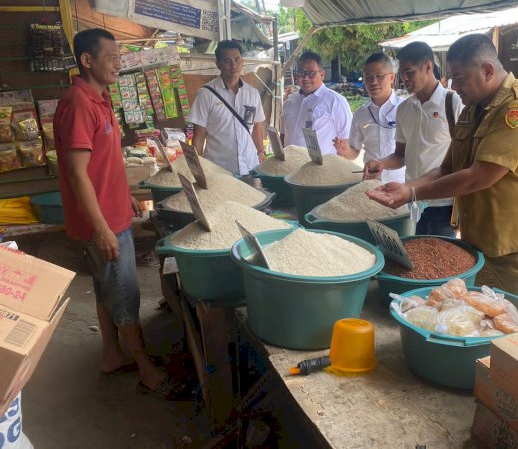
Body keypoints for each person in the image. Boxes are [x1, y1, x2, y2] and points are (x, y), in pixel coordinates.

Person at [367, 34, 518, 323]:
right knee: (483, 319)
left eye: (460, 78)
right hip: (481, 237)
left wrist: (412, 194)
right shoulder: (473, 109)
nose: (454, 86)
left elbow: (478, 176)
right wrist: (408, 186)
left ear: (486, 70)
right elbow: (447, 167)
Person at [54, 28, 186, 399]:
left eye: (119, 56)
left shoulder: (100, 97)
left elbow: (104, 161)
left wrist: (125, 193)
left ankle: (112, 354)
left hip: (113, 212)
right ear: (87, 60)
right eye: (111, 57)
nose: (118, 63)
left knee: (104, 290)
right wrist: (102, 229)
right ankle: (145, 368)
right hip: (104, 224)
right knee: (125, 294)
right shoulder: (78, 103)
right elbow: (77, 172)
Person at [364, 42, 463, 236]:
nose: (405, 79)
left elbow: (463, 160)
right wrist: (381, 163)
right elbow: (401, 155)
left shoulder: (453, 103)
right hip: (412, 202)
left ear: (427, 66)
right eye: (402, 73)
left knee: (440, 262)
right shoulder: (405, 109)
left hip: (443, 203)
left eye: (409, 72)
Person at [189, 40, 266, 175]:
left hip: (250, 167)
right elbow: (199, 136)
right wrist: (197, 168)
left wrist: (261, 152)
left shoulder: (252, 94)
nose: (233, 65)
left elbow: (257, 126)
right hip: (218, 171)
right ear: (218, 64)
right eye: (227, 61)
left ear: (243, 61)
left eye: (237, 59)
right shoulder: (206, 94)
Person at [333, 53, 405, 183]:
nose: (373, 82)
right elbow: (354, 152)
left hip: (402, 183)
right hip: (371, 184)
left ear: (392, 77)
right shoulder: (360, 114)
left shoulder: (405, 109)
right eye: (368, 77)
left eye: (379, 76)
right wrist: (345, 149)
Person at [281, 50, 352, 156]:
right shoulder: (290, 101)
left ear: (322, 75)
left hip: (322, 170)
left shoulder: (336, 102)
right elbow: (283, 134)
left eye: (311, 73)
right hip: (290, 169)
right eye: (301, 73)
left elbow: (348, 140)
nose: (305, 78)